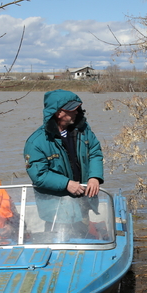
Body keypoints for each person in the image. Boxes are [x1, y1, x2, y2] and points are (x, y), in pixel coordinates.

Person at [24, 89, 104, 235]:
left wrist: (95, 177)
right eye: (72, 110)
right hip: (55, 206)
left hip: (83, 199)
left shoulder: (84, 130)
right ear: (58, 113)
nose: (77, 112)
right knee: (57, 238)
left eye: (77, 108)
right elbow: (39, 175)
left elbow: (95, 152)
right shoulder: (36, 142)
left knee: (83, 236)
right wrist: (66, 183)